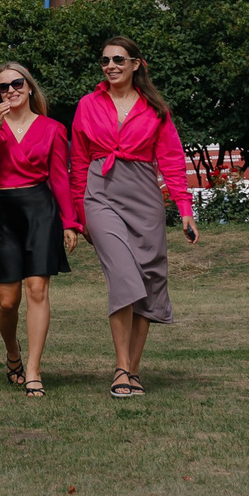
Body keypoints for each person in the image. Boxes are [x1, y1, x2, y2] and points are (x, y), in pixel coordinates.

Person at [64, 36, 197, 400]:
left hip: (143, 196)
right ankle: (121, 368)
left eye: (119, 60)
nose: (111, 66)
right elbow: (77, 162)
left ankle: (133, 370)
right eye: (105, 61)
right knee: (123, 275)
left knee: (149, 279)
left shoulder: (155, 108)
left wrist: (185, 209)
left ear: (136, 64)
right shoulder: (88, 105)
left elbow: (171, 159)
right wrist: (79, 213)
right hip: (100, 194)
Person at [0, 62, 69, 400]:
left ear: (29, 87)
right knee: (7, 301)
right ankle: (13, 354)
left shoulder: (53, 128)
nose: (11, 90)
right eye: (3, 87)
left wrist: (71, 222)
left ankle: (34, 370)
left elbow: (60, 179)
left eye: (17, 83)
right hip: (2, 211)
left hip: (40, 208)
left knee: (38, 289)